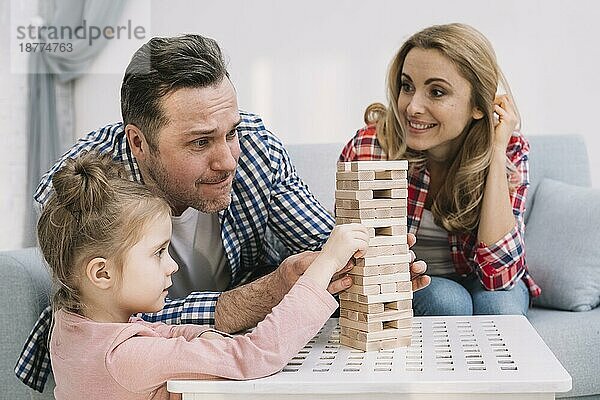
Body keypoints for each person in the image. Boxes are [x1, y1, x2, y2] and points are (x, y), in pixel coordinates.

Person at [16, 34, 429, 391]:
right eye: (199, 143)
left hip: (213, 342)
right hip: (181, 353)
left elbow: (321, 243)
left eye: (230, 132)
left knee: (435, 298)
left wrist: (369, 266)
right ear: (139, 143)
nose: (229, 160)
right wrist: (253, 297)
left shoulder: (254, 149)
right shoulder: (83, 189)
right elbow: (109, 317)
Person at [38, 151, 369, 399]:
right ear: (102, 273)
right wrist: (324, 264)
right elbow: (254, 355)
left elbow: (157, 335)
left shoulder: (74, 327)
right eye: (157, 253)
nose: (172, 266)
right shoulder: (124, 358)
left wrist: (199, 338)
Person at [340, 23, 540, 316]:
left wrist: (496, 152)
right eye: (407, 86)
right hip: (407, 280)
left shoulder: (508, 148)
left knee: (500, 306)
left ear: (479, 106)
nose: (412, 107)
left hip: (480, 278)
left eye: (436, 92)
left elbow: (500, 276)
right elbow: (355, 258)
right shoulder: (373, 146)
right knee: (447, 300)